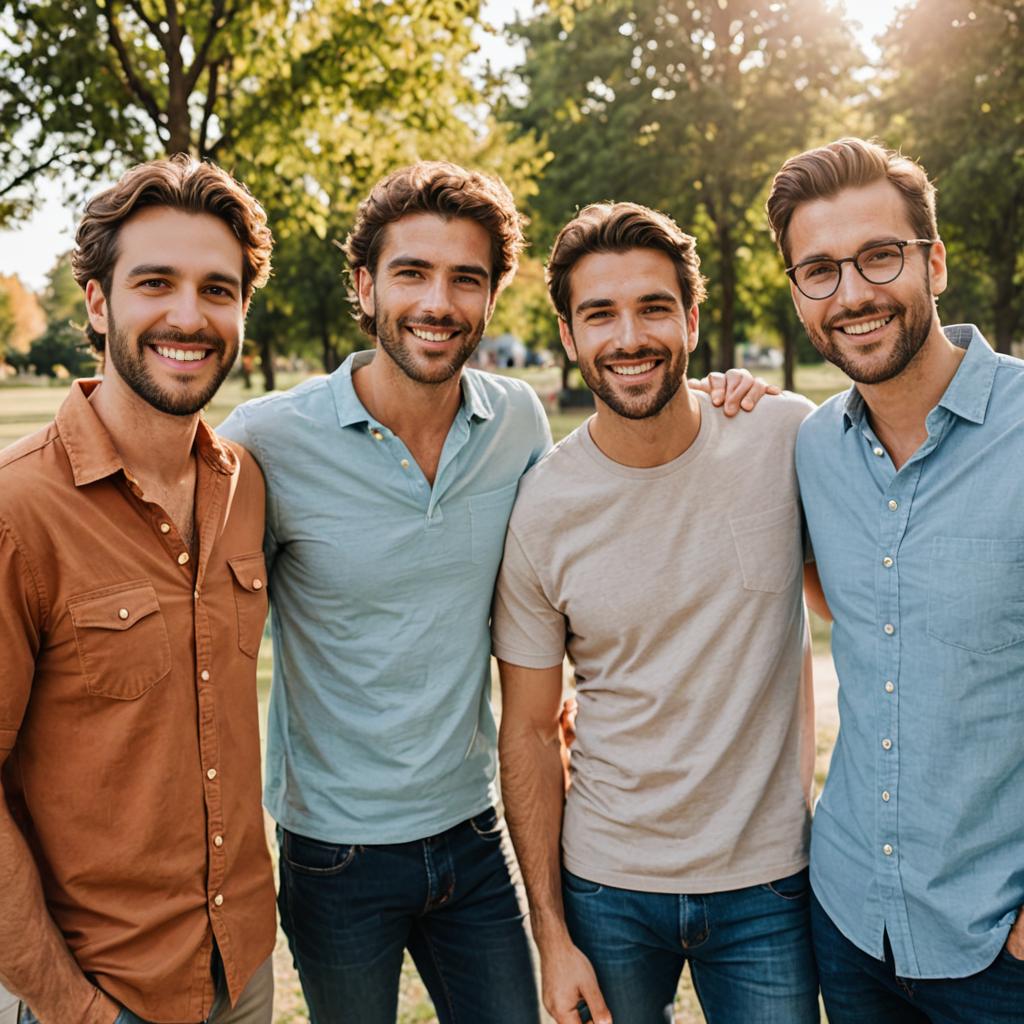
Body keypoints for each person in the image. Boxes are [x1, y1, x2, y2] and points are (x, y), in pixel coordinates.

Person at [493, 201, 823, 1024]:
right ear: (568, 337)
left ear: (692, 319)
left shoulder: (783, 437)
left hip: (770, 883)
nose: (628, 337)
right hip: (606, 886)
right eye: (599, 314)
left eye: (653, 308)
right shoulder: (542, 508)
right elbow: (529, 732)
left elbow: (863, 602)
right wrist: (553, 936)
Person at [0, 156, 278, 1024]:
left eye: (218, 289)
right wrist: (73, 1009)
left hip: (244, 973)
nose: (189, 317)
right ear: (95, 301)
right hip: (94, 992)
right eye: (155, 282)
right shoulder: (18, 511)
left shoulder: (247, 486)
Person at [766, 137, 1024, 1021]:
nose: (853, 295)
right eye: (819, 270)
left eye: (880, 257)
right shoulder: (807, 450)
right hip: (849, 922)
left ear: (934, 262)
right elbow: (848, 608)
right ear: (797, 293)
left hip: (1001, 946)